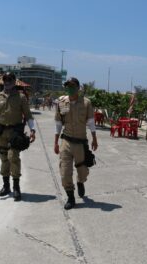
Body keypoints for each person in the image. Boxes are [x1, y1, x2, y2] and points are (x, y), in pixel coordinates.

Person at [0, 72, 36, 202]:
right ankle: (6, 186)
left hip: (15, 132)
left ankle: (16, 187)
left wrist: (32, 130)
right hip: (1, 132)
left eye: (10, 79)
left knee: (13, 158)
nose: (7, 81)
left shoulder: (21, 97)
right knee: (4, 158)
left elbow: (28, 115)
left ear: (14, 81)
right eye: (5, 79)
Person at [54, 77, 98, 210]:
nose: (70, 88)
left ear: (78, 88)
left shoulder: (86, 103)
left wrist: (94, 138)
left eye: (73, 86)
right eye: (68, 86)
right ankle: (71, 197)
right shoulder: (61, 103)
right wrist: (56, 142)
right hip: (66, 141)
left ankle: (80, 182)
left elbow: (90, 122)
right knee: (65, 172)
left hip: (81, 143)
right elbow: (58, 124)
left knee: (83, 171)